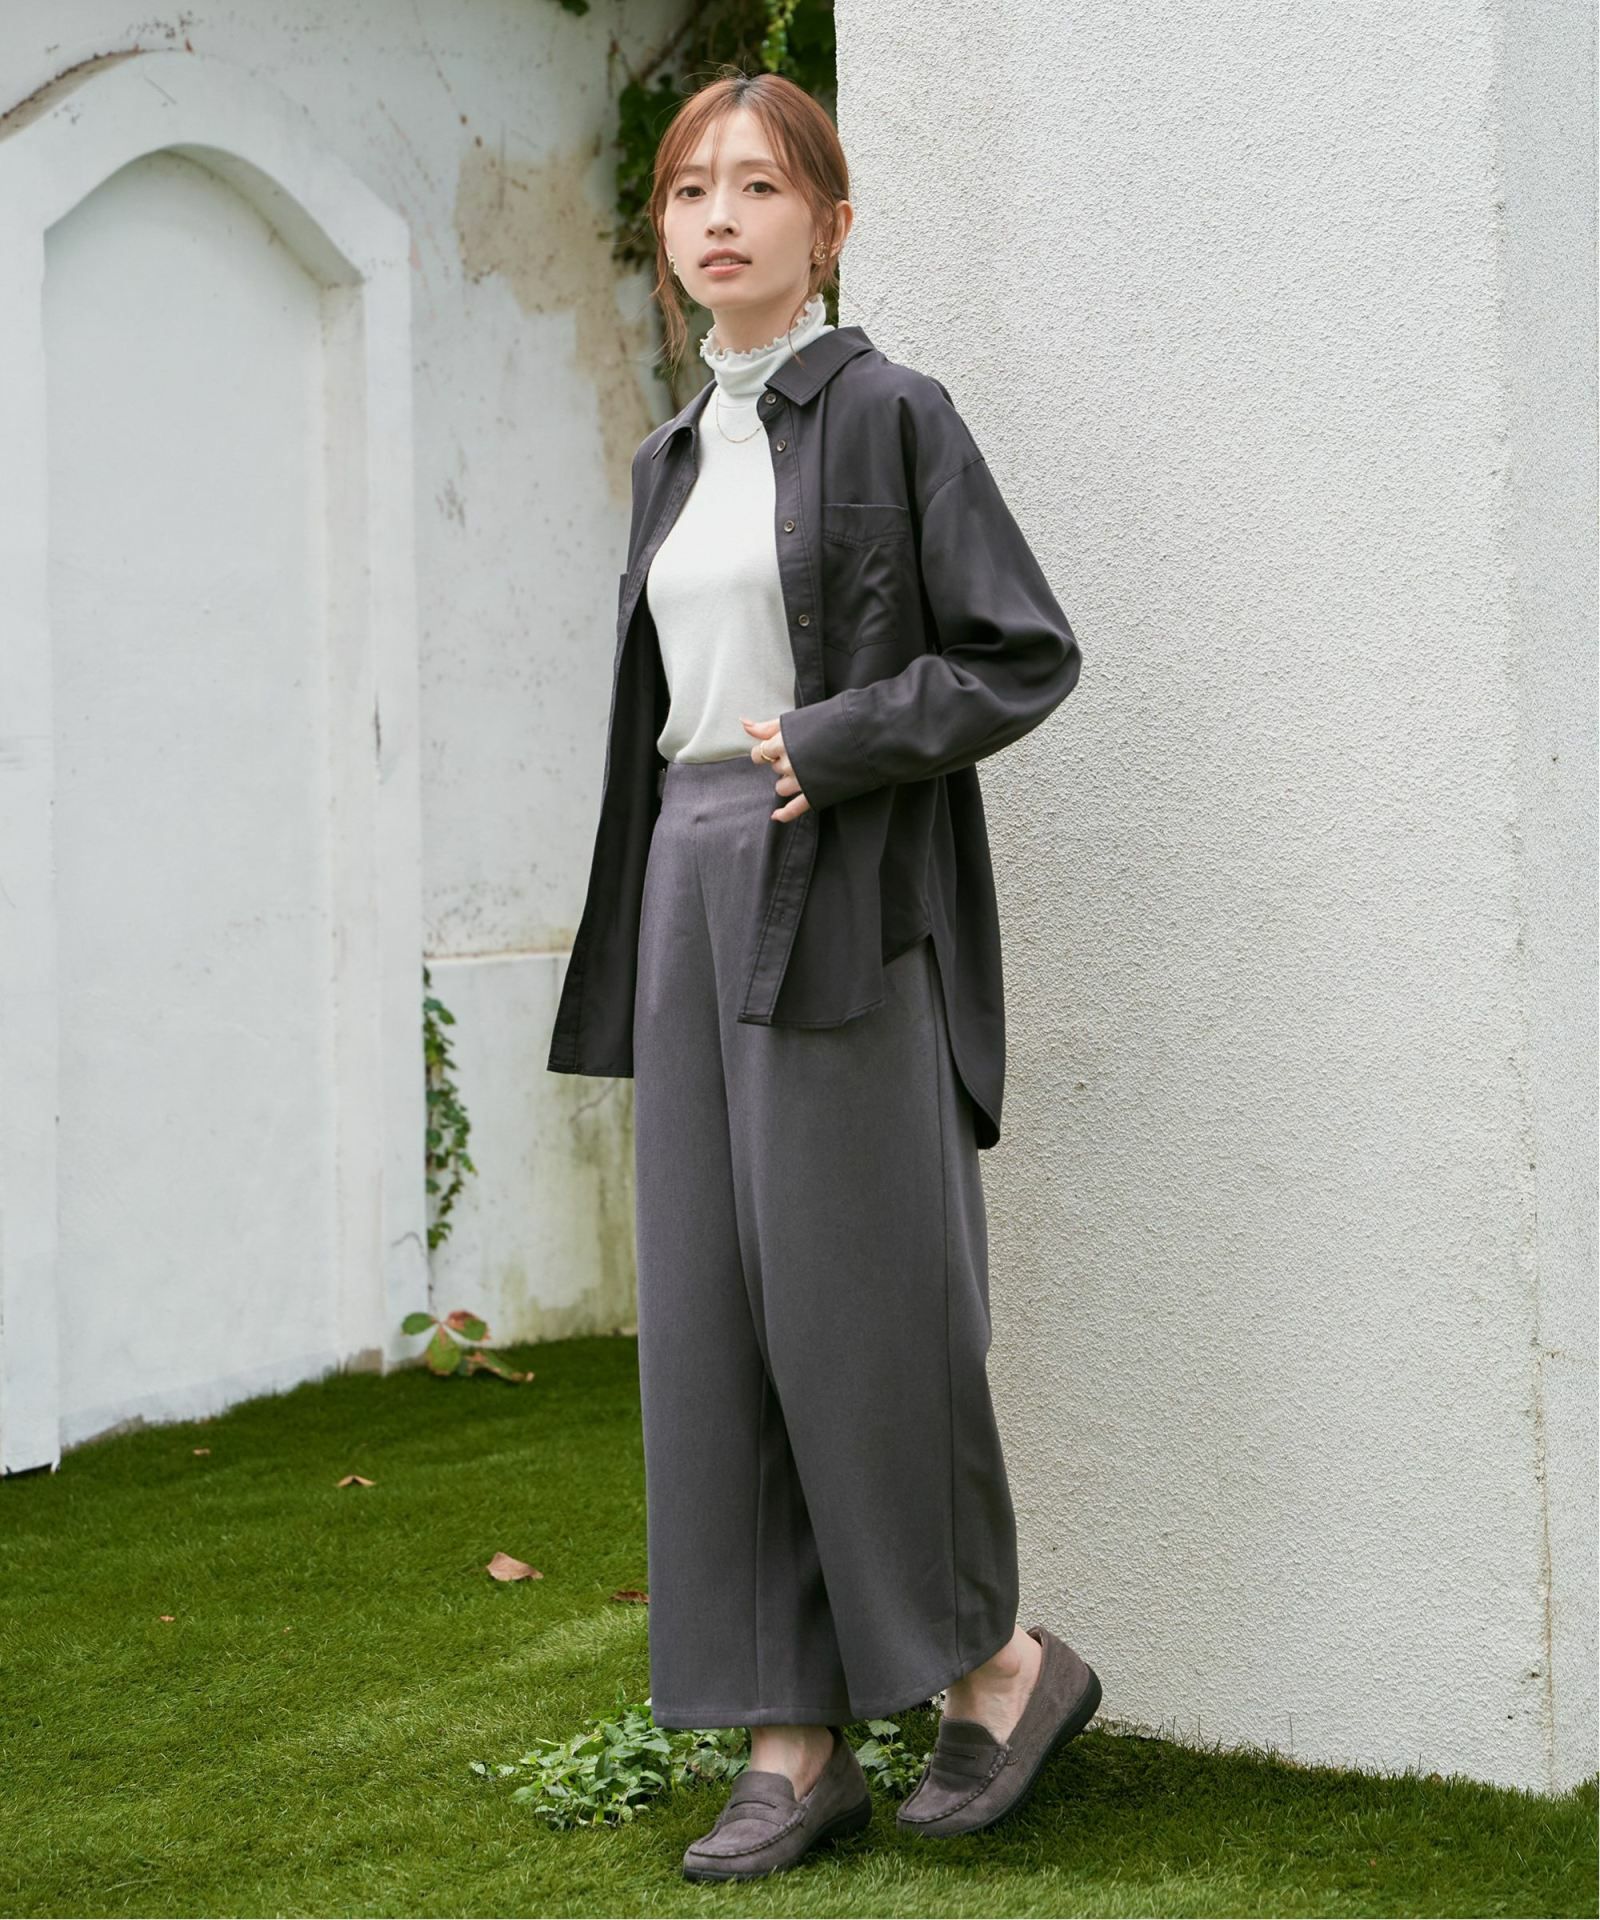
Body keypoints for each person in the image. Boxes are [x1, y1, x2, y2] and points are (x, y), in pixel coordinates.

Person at [547, 68, 1100, 1883]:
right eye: (690, 190)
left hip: (843, 885)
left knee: (860, 1309)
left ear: (832, 225)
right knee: (713, 1316)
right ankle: (789, 1736)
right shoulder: (670, 455)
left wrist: (847, 739)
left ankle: (994, 1666)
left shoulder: (893, 415)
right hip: (690, 882)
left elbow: (1022, 651)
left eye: (761, 186)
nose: (720, 217)